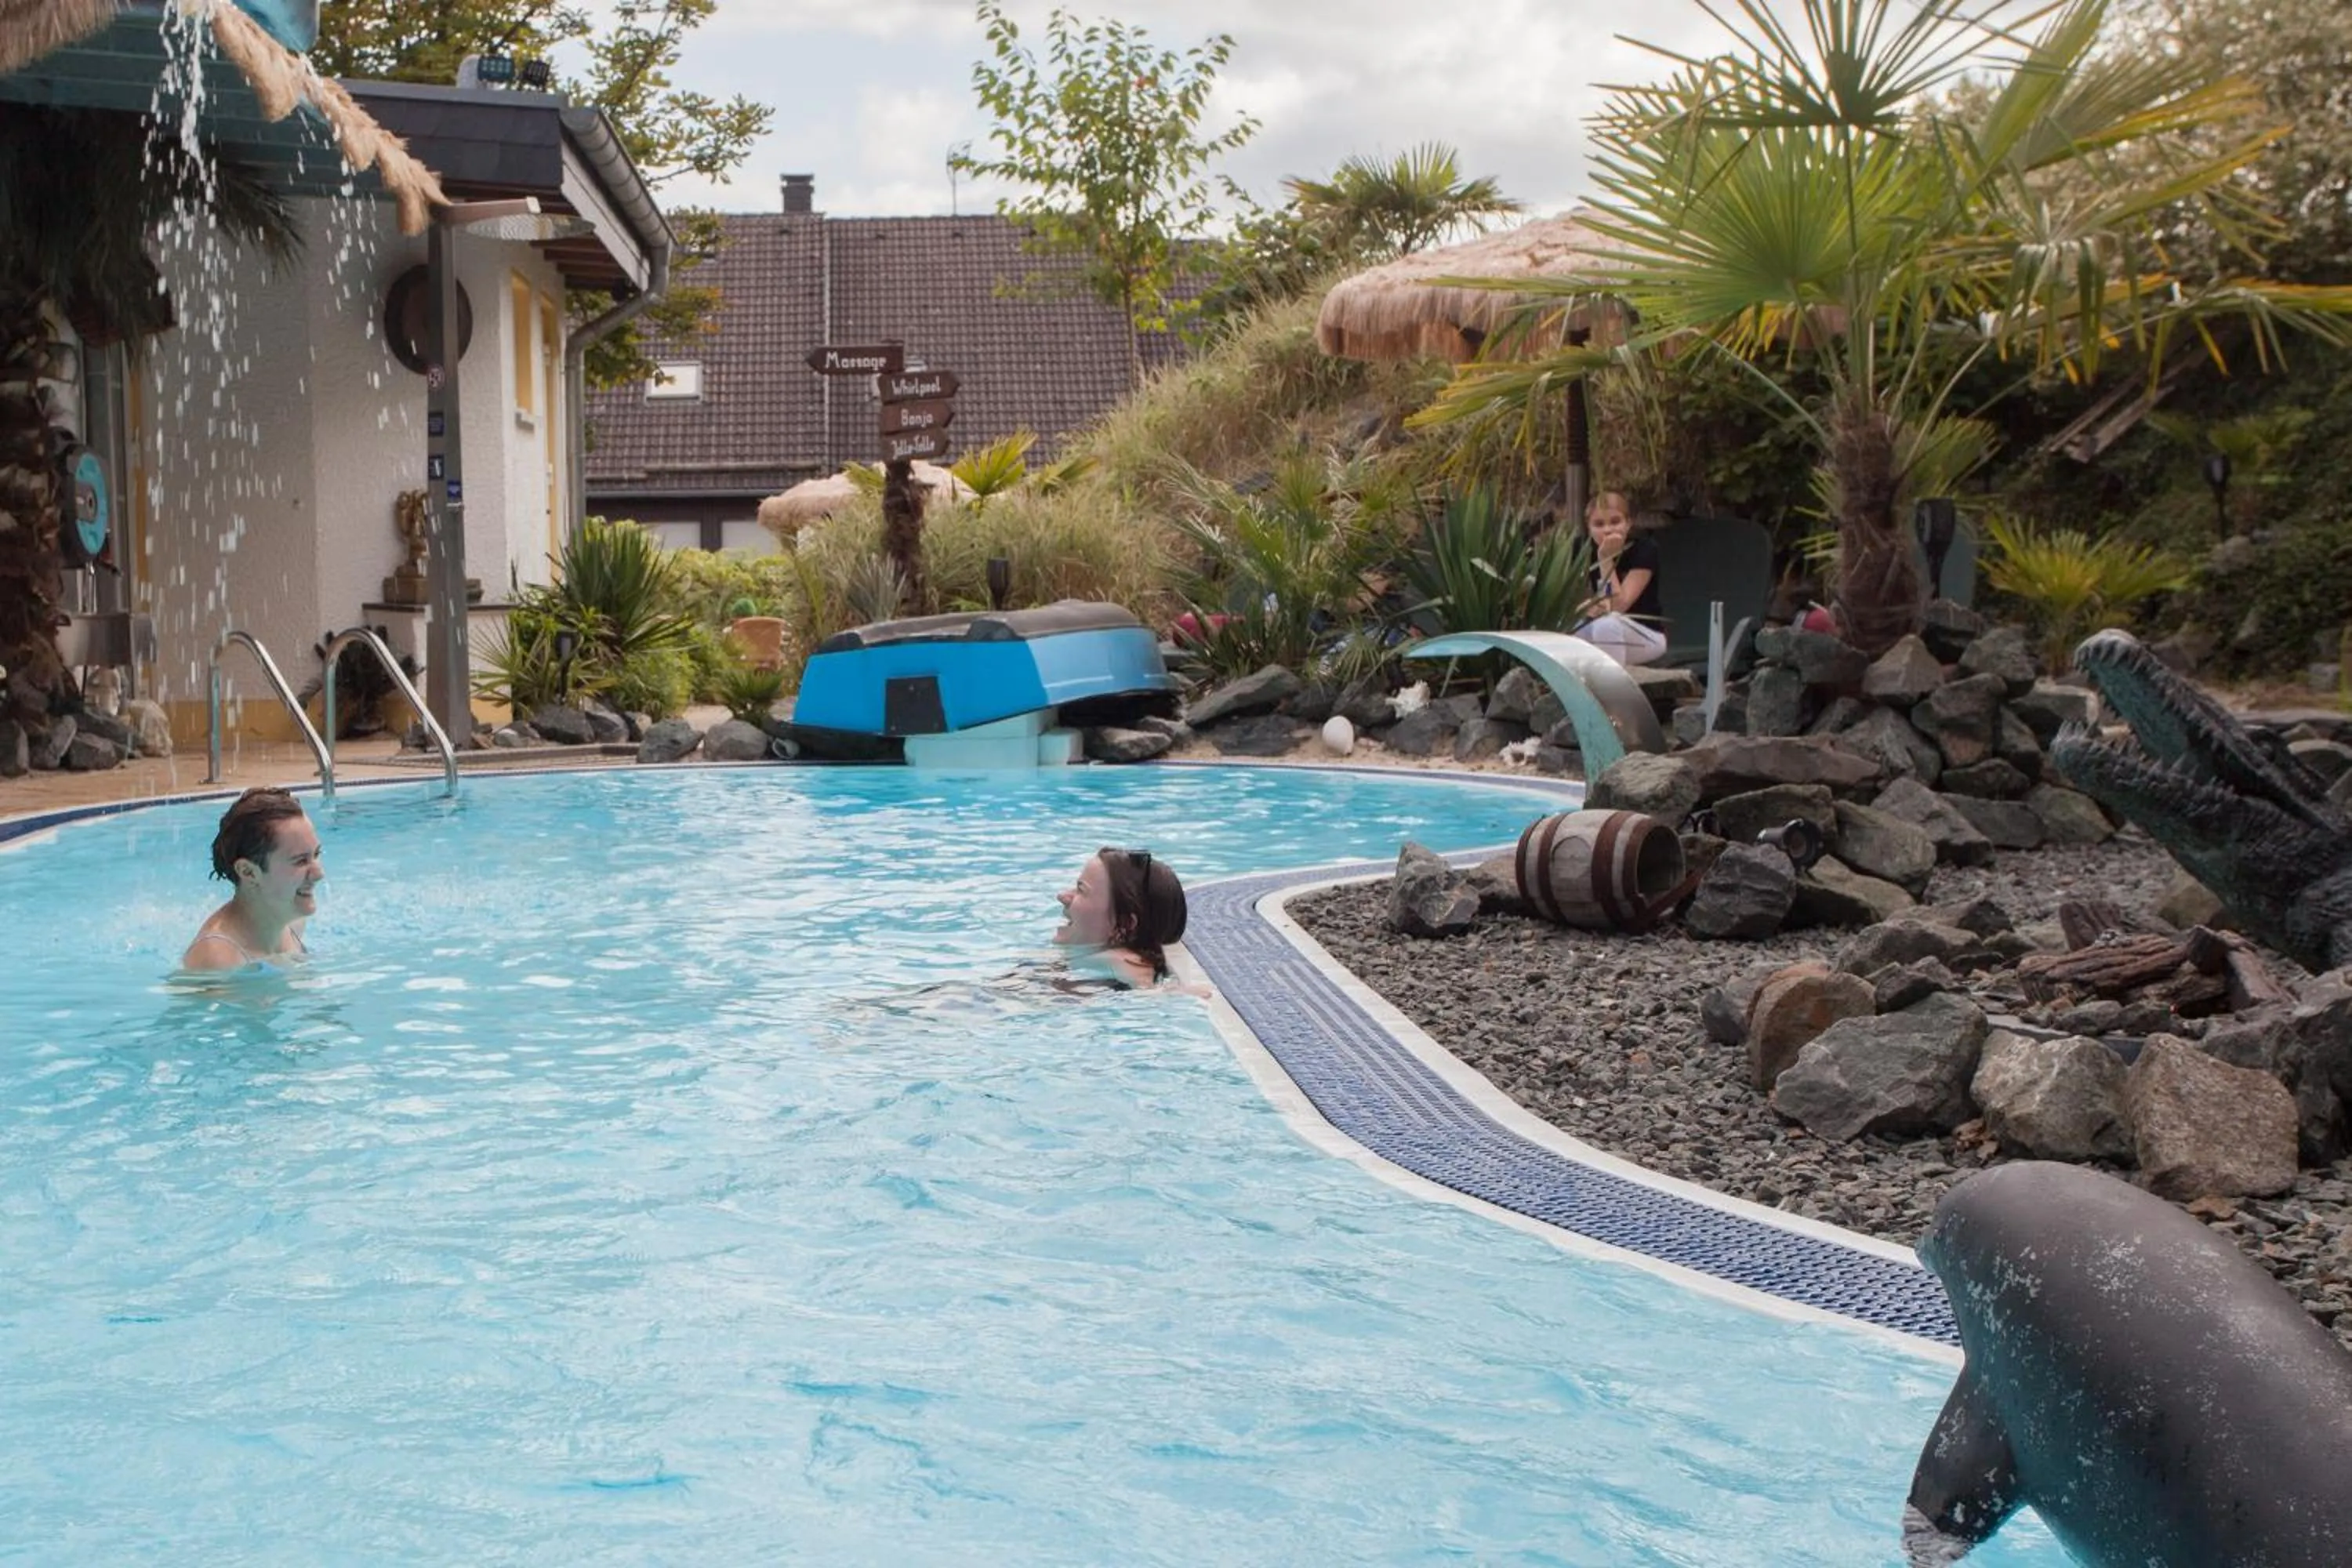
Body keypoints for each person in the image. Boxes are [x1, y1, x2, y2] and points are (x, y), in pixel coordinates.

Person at [181, 787, 323, 972]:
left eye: (317, 854)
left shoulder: (291, 920)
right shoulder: (216, 960)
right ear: (248, 872)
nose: (319, 874)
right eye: (300, 861)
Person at [1051, 846, 1189, 988]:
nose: (1062, 897)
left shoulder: (1116, 962)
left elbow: (1141, 979)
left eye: (1081, 890)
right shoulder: (1098, 964)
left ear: (1125, 923)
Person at [1570, 491, 1668, 666]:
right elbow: (1571, 600)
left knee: (1607, 625)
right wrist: (1585, 607)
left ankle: (1613, 691)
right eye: (1599, 524)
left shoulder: (1644, 549)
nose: (1608, 530)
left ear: (1628, 523)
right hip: (1600, 626)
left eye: (1615, 522)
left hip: (1645, 633)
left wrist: (1605, 559)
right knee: (1569, 632)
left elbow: (1618, 606)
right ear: (1589, 528)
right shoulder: (1581, 548)